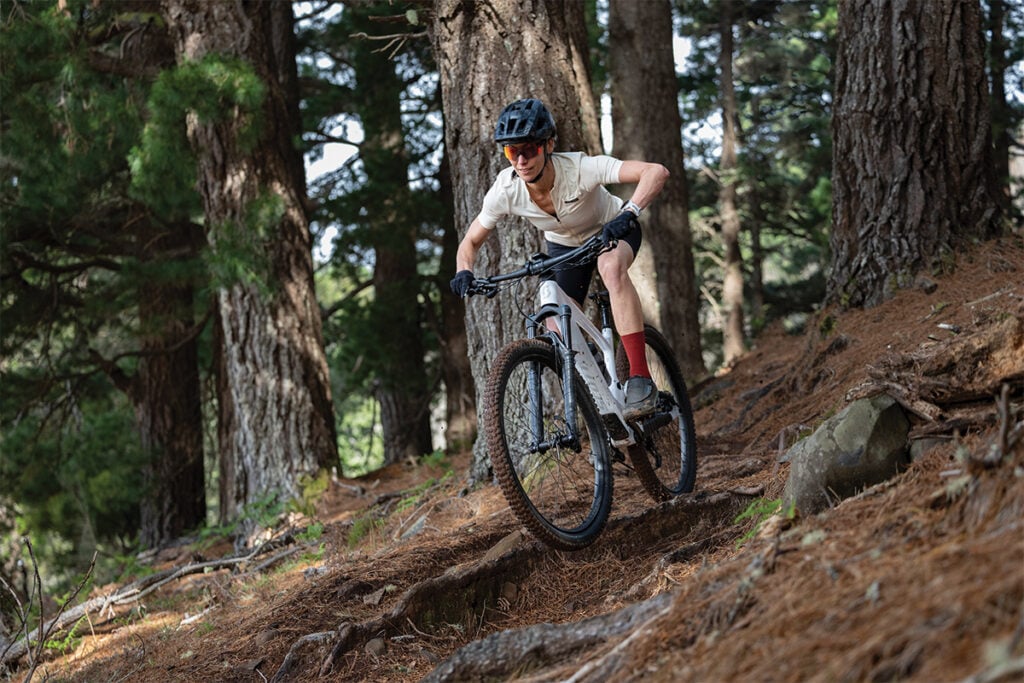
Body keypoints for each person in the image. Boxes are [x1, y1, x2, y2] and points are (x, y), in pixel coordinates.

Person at [449, 98, 670, 420]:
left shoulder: (579, 168)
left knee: (610, 267)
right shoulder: (505, 189)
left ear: (548, 145)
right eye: (512, 152)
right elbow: (470, 240)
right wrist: (464, 271)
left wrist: (629, 212)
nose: (521, 160)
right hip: (565, 248)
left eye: (529, 149)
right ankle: (602, 389)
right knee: (554, 321)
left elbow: (655, 172)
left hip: (611, 230)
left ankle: (639, 377)